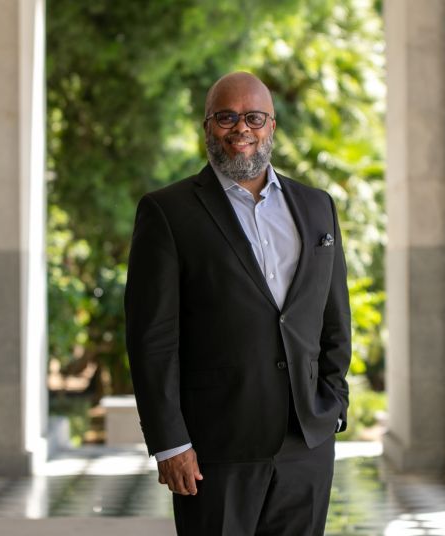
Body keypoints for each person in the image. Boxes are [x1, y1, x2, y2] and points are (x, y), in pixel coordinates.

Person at [124, 71, 351, 536]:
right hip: (214, 448)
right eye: (226, 117)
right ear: (208, 126)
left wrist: (335, 402)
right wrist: (170, 443)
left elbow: (334, 318)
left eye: (254, 117)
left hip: (305, 442)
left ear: (271, 126)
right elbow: (153, 339)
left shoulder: (317, 206)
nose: (241, 129)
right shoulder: (168, 212)